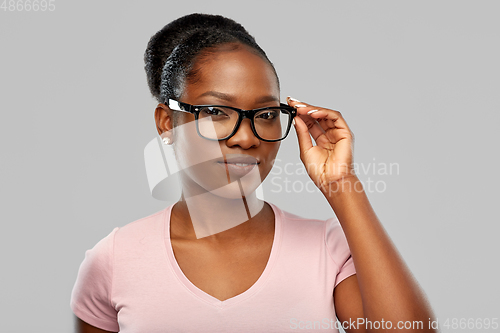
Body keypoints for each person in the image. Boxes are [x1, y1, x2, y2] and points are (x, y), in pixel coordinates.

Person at [71, 13, 437, 333]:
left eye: (264, 114)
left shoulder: (327, 251)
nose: (246, 138)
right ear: (167, 123)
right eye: (216, 112)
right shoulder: (114, 260)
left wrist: (342, 185)